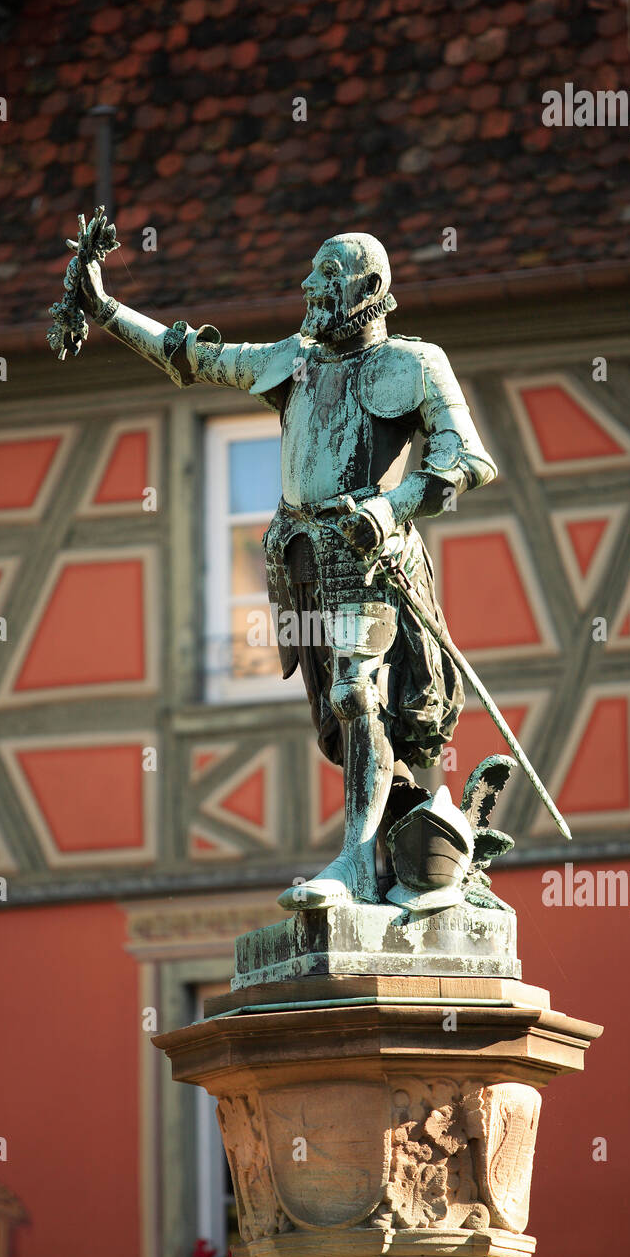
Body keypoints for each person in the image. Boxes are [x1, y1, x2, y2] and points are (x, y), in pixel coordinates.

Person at [77, 231, 497, 909]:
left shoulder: (416, 364)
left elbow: (466, 460)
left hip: (371, 562)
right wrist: (105, 309)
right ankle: (408, 836)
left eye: (326, 275)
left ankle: (358, 865)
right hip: (300, 565)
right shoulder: (293, 362)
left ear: (368, 289)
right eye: (310, 273)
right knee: (343, 721)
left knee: (357, 696)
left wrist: (392, 510)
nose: (309, 287)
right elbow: (192, 357)